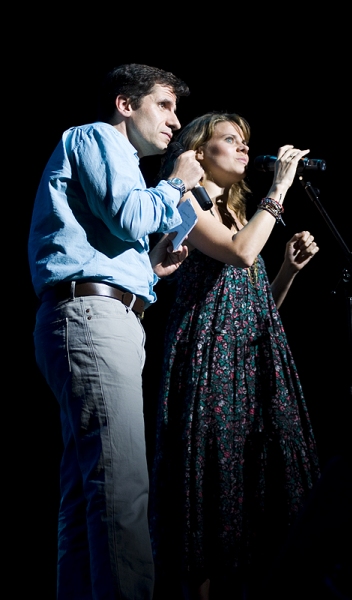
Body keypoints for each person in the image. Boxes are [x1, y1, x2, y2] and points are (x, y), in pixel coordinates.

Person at [27, 63, 205, 600]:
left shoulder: (117, 158)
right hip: (92, 318)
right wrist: (177, 182)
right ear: (126, 104)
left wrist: (149, 268)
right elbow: (130, 215)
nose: (176, 122)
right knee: (121, 484)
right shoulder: (99, 137)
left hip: (97, 315)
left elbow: (112, 235)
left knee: (88, 494)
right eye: (165, 105)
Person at [147, 112, 322, 599]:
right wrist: (280, 188)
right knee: (212, 488)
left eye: (247, 142)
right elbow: (241, 254)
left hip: (253, 358)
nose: (245, 150)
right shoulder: (187, 203)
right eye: (232, 140)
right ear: (199, 153)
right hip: (208, 361)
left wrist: (285, 271)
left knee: (260, 484)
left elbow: (255, 304)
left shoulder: (243, 217)